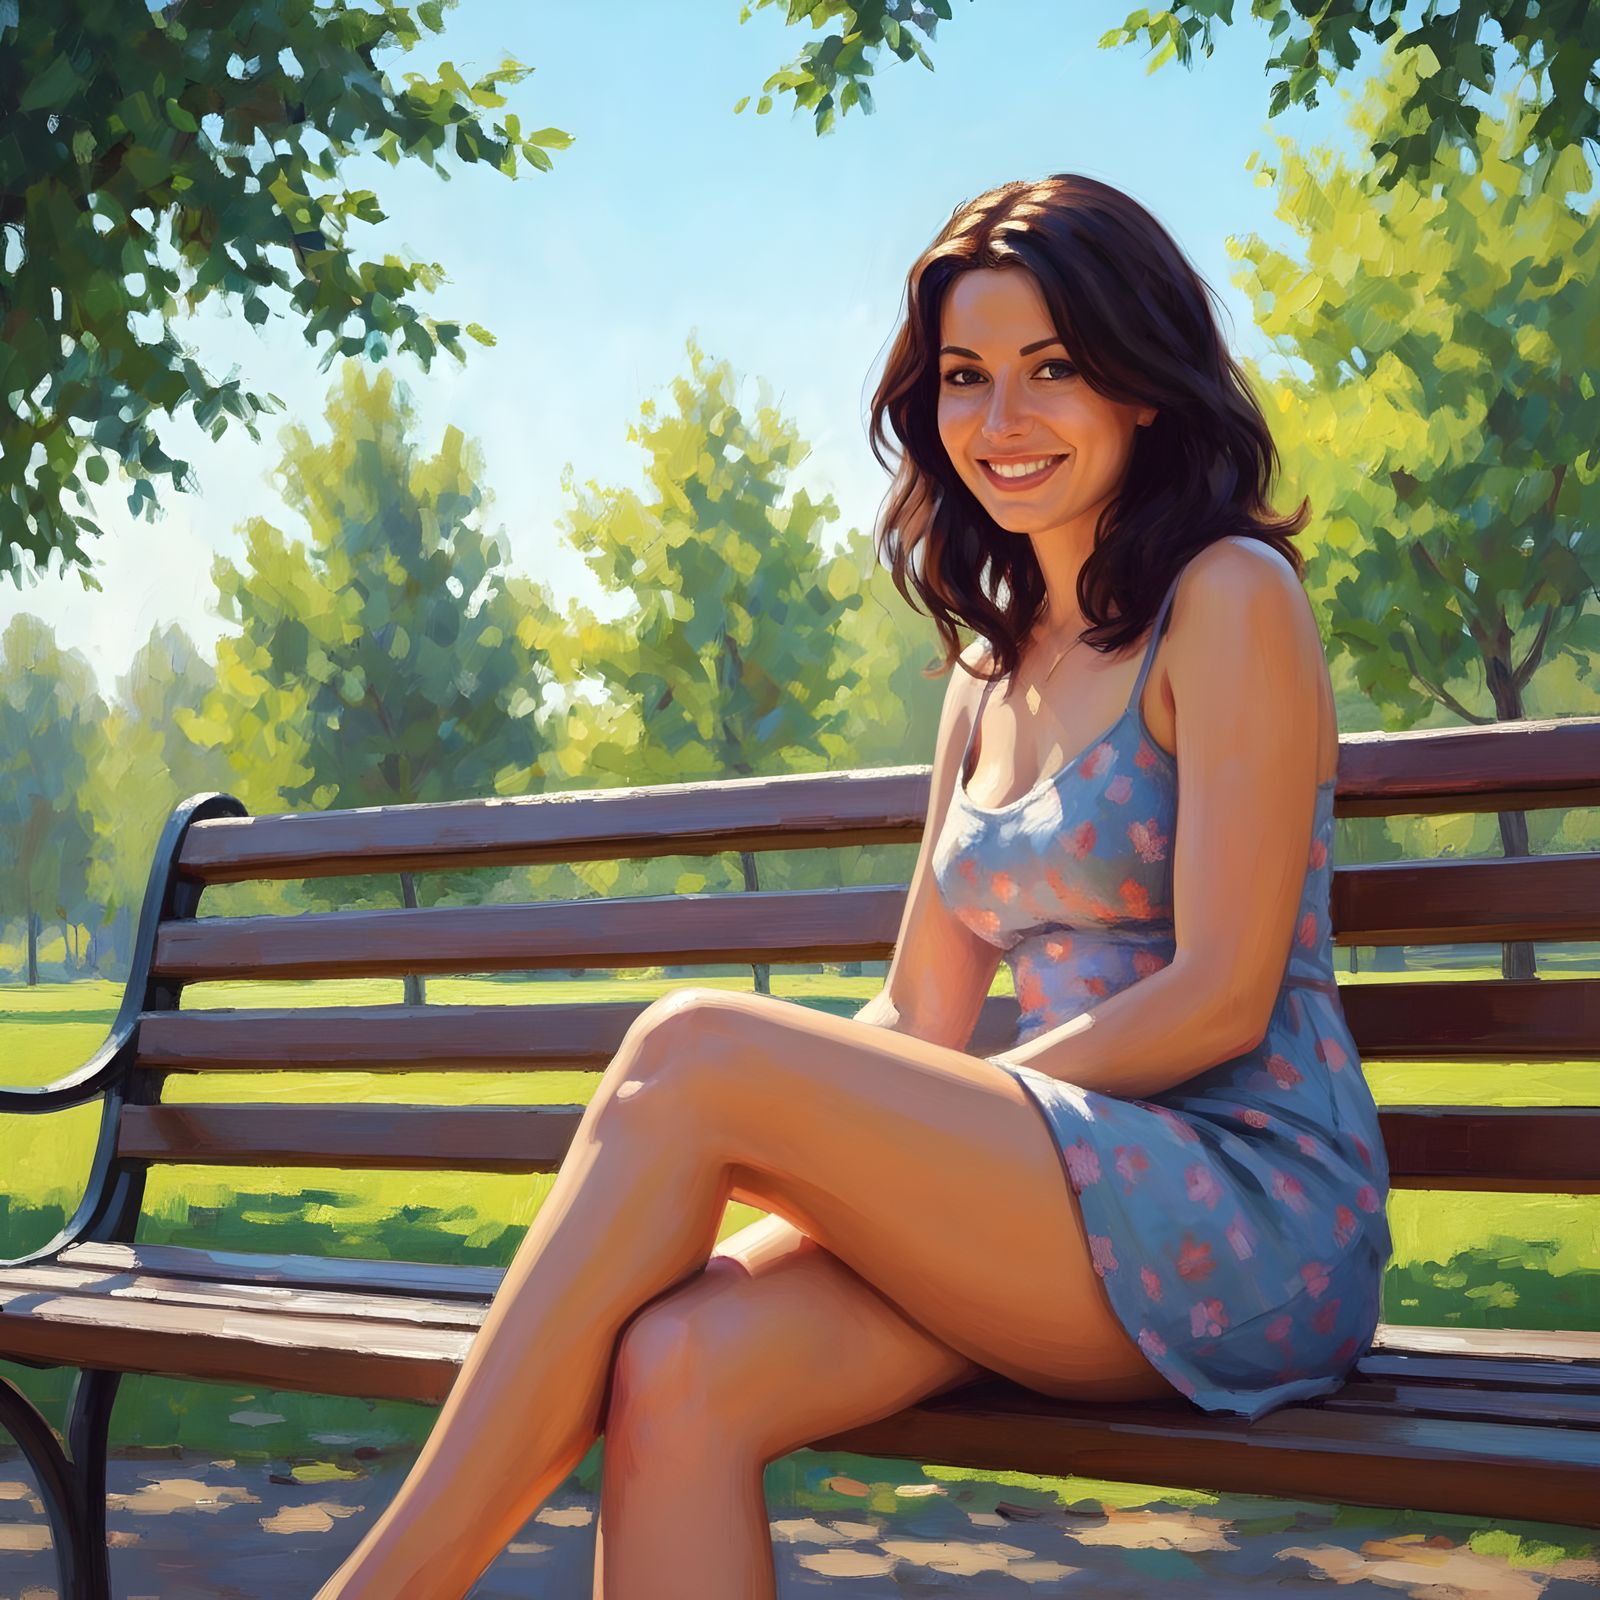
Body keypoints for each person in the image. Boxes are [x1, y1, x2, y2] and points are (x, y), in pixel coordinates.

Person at [314, 172, 1393, 1600]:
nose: (1000, 423)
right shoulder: (987, 670)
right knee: (675, 1363)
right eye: (964, 378)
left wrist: (940, 1135)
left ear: (1143, 384)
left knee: (691, 1049)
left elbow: (1219, 997)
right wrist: (870, 1157)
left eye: (1050, 369)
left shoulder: (1232, 597)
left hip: (1246, 1212)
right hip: (1054, 1197)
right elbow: (913, 1017)